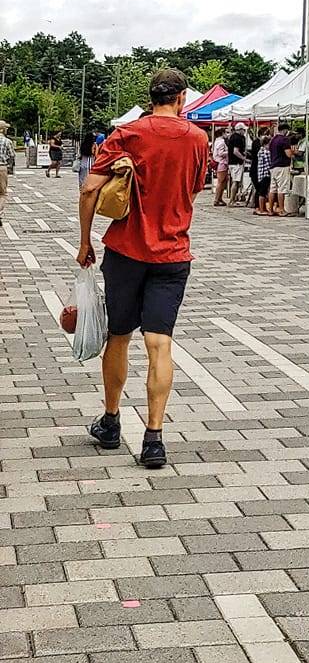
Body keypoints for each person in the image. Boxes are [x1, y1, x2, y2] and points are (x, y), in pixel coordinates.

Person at [76, 67, 209, 469]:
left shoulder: (127, 133)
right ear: (182, 98)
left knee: (118, 336)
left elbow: (89, 188)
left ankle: (112, 422)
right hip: (172, 254)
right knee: (160, 343)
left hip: (126, 251)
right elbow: (195, 188)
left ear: (151, 97)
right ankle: (154, 439)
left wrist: (84, 242)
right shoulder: (199, 139)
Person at [266, 127, 293, 215]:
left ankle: (270, 209)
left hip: (273, 166)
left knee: (273, 188)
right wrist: (294, 152)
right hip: (282, 166)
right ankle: (281, 209)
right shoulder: (284, 140)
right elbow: (288, 154)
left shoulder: (273, 140)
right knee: (282, 188)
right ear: (285, 130)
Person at [251, 128, 272, 214]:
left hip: (260, 173)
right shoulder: (265, 152)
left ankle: (260, 207)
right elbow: (268, 164)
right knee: (261, 191)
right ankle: (260, 208)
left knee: (260, 191)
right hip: (264, 173)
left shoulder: (260, 150)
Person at [210, 131, 229, 207]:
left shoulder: (216, 141)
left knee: (223, 181)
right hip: (222, 163)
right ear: (222, 134)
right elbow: (220, 153)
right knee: (221, 181)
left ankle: (219, 198)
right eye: (226, 132)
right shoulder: (221, 142)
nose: (227, 134)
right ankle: (217, 199)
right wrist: (228, 152)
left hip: (220, 163)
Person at [0, 122, 14, 218]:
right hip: (2, 167)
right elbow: (12, 155)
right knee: (2, 193)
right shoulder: (7, 141)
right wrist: (9, 166)